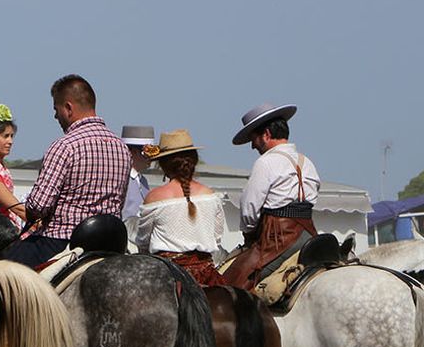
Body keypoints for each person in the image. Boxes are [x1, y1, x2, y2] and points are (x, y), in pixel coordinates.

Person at [0, 75, 131, 267]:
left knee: (0, 270)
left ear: (68, 108)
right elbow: (120, 202)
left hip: (63, 242)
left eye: (56, 109)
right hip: (110, 244)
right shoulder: (122, 148)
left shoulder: (64, 146)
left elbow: (39, 206)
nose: (55, 116)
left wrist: (31, 210)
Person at [220, 102, 320, 289]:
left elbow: (249, 208)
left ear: (266, 134)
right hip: (310, 235)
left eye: (254, 139)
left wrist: (250, 233)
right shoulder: (307, 162)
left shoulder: (265, 162)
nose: (252, 146)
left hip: (277, 241)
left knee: (228, 285)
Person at [134, 129, 226, 286]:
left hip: (167, 275)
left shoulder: (154, 197)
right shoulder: (211, 195)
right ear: (194, 161)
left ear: (163, 166)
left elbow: (143, 242)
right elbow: (216, 239)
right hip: (205, 273)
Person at [121, 124, 156, 220]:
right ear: (134, 152)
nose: (151, 157)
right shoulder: (122, 179)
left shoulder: (143, 181)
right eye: (147, 152)